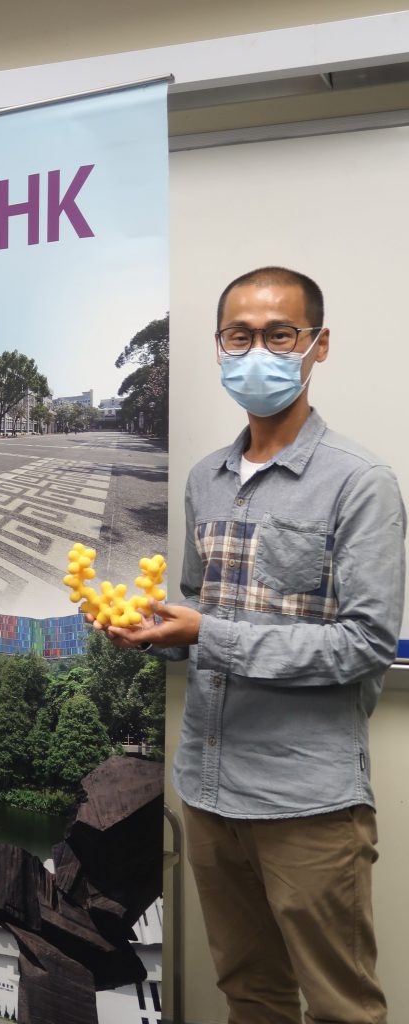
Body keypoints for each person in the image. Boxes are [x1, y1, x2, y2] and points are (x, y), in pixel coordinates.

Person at [92, 267, 406, 1023]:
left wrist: (205, 631)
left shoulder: (358, 483)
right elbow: (197, 612)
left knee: (340, 1006)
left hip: (306, 800)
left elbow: (363, 644)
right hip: (206, 787)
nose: (256, 352)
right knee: (250, 994)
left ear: (316, 346)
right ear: (218, 346)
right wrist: (155, 635)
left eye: (278, 335)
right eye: (240, 336)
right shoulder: (207, 478)